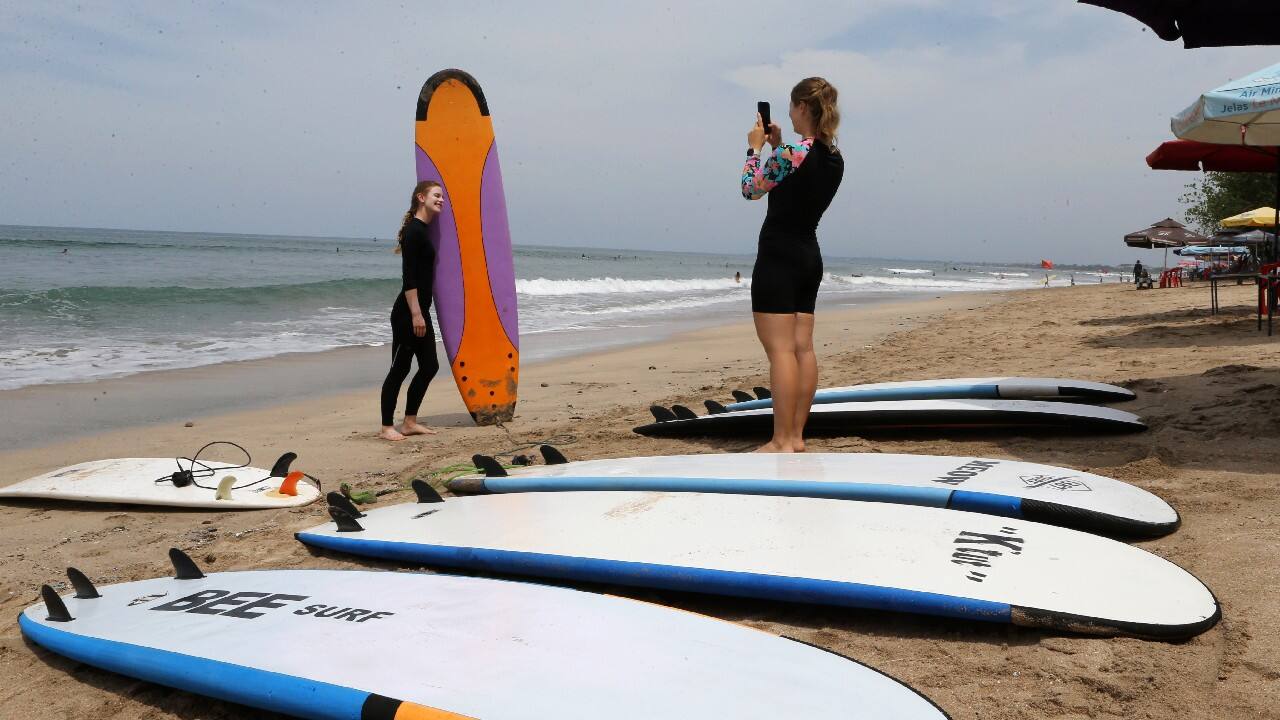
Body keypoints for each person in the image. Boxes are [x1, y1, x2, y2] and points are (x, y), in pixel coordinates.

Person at [740, 77, 844, 452]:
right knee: (802, 348)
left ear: (803, 107)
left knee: (781, 351)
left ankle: (781, 439)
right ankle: (796, 436)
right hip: (808, 255)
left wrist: (755, 151)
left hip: (778, 256)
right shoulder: (834, 157)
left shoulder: (792, 154)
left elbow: (751, 188)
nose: (787, 110)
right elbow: (800, 173)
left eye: (791, 104)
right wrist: (778, 145)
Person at [379, 180, 444, 441]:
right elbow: (409, 279)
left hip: (419, 310)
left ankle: (409, 422)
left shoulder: (423, 230)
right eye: (437, 195)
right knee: (400, 369)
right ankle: (386, 427)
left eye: (442, 197)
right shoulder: (414, 232)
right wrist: (417, 313)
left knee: (429, 366)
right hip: (408, 312)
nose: (441, 200)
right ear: (421, 197)